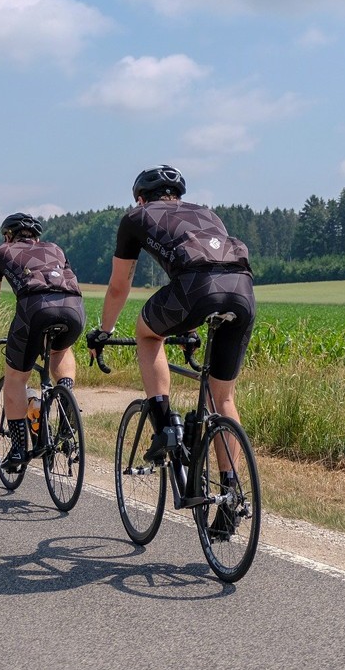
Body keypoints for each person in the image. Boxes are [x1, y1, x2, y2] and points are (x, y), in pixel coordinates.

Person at [86, 165, 255, 470]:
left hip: (195, 292)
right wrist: (189, 330)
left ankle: (165, 427)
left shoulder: (136, 216)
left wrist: (104, 331)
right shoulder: (207, 214)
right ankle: (230, 498)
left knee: (148, 334)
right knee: (222, 398)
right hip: (242, 291)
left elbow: (119, 286)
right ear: (178, 195)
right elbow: (210, 267)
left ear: (140, 198)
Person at [0, 212, 84, 471]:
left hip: (35, 309)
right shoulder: (55, 248)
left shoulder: (1, 250)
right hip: (74, 309)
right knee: (61, 349)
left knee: (15, 379)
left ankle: (18, 449)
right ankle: (65, 395)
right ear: (37, 236)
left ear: (8, 235)